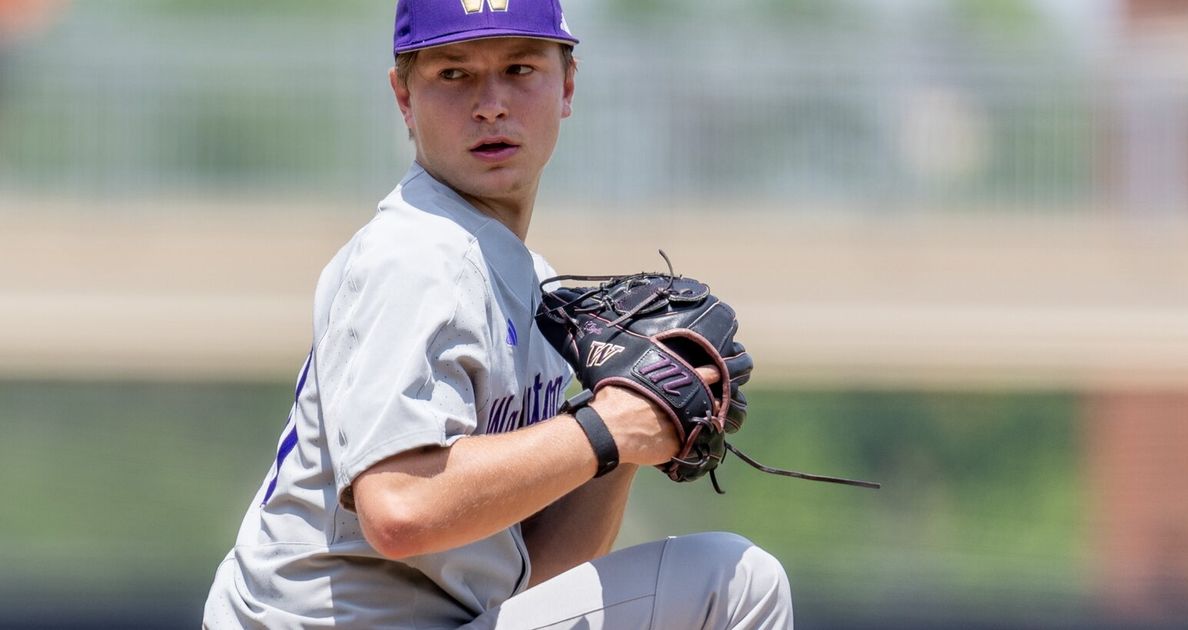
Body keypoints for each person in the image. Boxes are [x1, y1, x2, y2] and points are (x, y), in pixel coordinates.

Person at [202, 0, 793, 627]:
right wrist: (604, 431)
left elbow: (537, 580)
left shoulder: (525, 276)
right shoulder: (415, 255)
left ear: (566, 84)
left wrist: (629, 426)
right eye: (454, 74)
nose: (491, 104)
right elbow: (400, 509)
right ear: (403, 95)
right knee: (735, 584)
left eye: (518, 68)